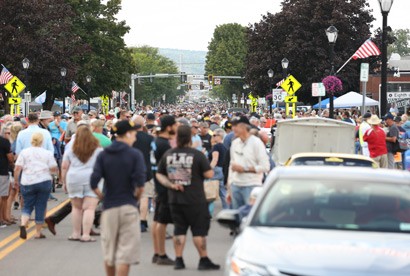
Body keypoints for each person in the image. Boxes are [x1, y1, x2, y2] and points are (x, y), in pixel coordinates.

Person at [156, 125, 219, 271]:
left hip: (175, 198)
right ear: (190, 138)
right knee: (198, 231)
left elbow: (160, 174)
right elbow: (209, 174)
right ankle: (203, 259)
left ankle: (179, 259)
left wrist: (171, 184)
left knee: (179, 229)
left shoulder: (169, 154)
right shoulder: (197, 155)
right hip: (195, 198)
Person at [90, 120, 146, 276]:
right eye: (134, 134)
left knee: (109, 253)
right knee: (125, 254)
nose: (135, 138)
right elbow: (141, 185)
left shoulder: (103, 154)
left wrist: (103, 197)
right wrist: (136, 199)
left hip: (109, 207)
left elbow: (93, 182)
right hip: (128, 205)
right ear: (127, 134)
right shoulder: (135, 154)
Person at [62, 126, 102, 242]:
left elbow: (64, 166)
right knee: (90, 208)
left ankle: (75, 233)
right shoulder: (98, 150)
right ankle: (86, 234)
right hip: (92, 178)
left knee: (76, 208)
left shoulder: (70, 149)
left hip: (74, 178)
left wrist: (64, 181)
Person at [14, 132, 57, 239]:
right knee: (40, 206)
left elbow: (17, 168)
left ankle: (23, 224)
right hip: (43, 180)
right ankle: (38, 232)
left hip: (27, 181)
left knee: (27, 205)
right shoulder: (47, 153)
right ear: (42, 141)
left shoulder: (24, 152)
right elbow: (53, 168)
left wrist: (16, 181)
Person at [228, 116, 270, 209]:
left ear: (244, 127)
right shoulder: (235, 143)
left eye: (236, 126)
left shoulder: (256, 143)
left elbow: (265, 167)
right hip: (235, 186)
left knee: (249, 216)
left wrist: (244, 169)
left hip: (251, 186)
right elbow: (232, 165)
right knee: (237, 218)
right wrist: (229, 186)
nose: (233, 128)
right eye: (233, 126)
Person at [151, 115, 177, 266]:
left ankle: (156, 252)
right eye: (174, 125)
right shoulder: (165, 145)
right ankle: (161, 254)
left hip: (157, 182)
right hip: (164, 184)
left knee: (157, 220)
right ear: (169, 127)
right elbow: (170, 167)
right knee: (162, 221)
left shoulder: (156, 141)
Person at [132, 116, 154, 233]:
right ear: (143, 124)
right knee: (145, 197)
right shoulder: (149, 138)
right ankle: (143, 221)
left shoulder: (129, 137)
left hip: (131, 171)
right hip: (146, 170)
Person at [208, 128, 228, 215]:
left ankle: (208, 212)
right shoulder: (224, 147)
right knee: (223, 192)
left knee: (210, 191)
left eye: (214, 135)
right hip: (222, 170)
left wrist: (209, 169)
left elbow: (215, 159)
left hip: (215, 169)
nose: (213, 137)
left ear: (220, 136)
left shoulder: (216, 147)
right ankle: (227, 210)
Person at [0, 132, 14, 227]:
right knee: (3, 196)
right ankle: (2, 218)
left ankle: (4, 217)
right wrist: (12, 164)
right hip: (2, 171)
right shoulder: (4, 141)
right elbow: (10, 157)